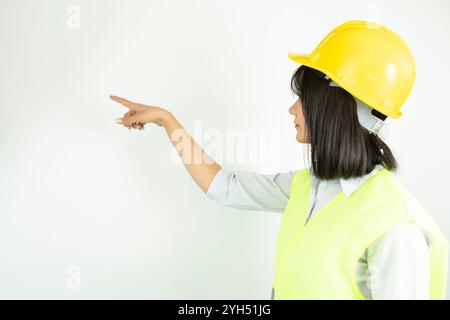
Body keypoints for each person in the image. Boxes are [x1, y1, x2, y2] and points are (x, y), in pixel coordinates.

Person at [109, 20, 448, 299]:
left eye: (303, 98)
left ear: (337, 107)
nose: (292, 109)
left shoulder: (395, 226)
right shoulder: (310, 186)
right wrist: (168, 121)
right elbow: (223, 186)